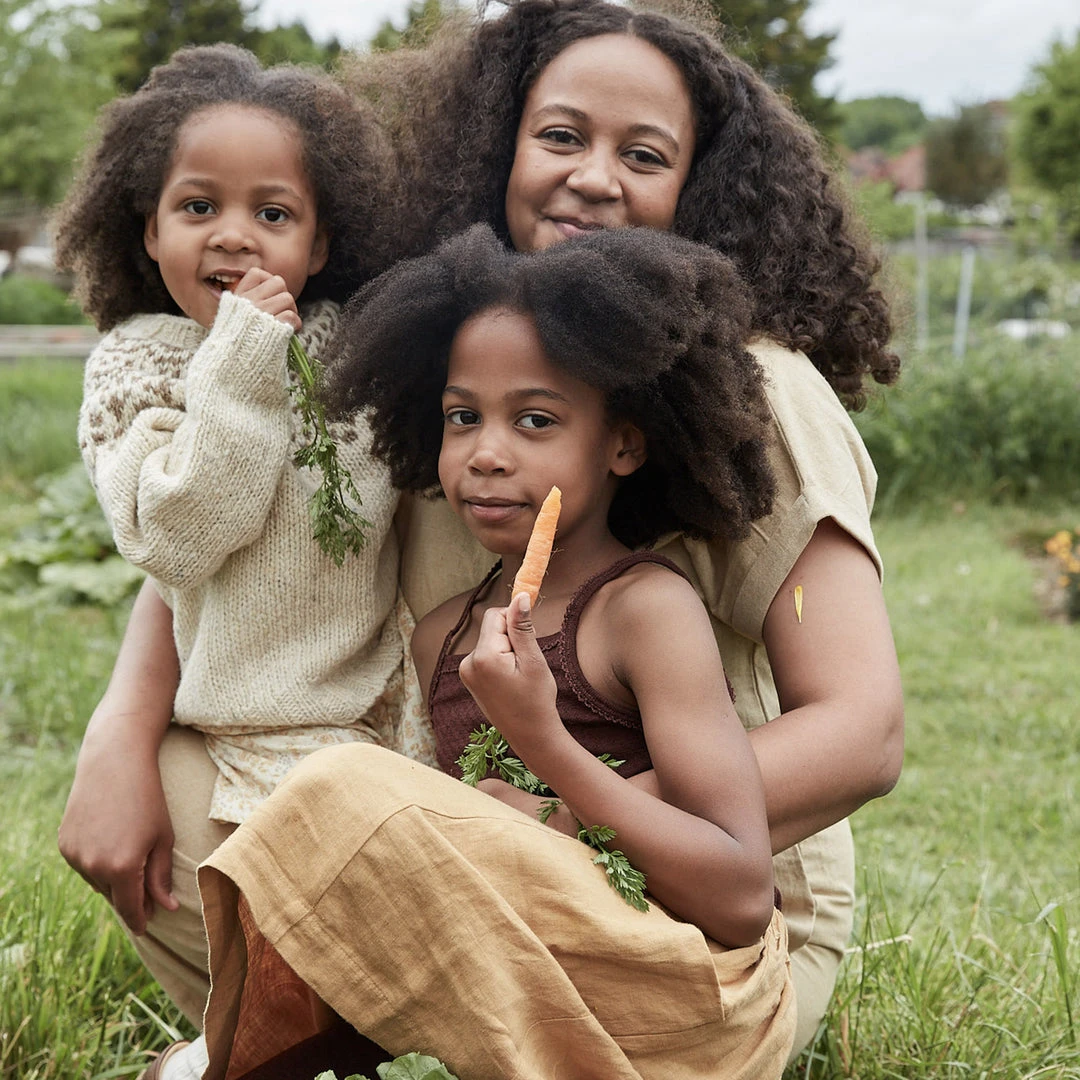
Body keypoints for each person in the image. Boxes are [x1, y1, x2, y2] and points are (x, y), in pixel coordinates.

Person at [344, 0, 905, 1061]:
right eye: (561, 136)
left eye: (641, 155)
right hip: (482, 877)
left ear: (695, 193)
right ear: (496, 151)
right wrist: (121, 729)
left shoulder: (754, 389)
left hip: (708, 912)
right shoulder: (439, 373)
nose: (594, 176)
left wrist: (559, 834)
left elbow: (863, 728)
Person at [195, 223, 795, 1080]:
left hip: (682, 1001)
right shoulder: (448, 633)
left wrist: (544, 745)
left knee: (342, 784)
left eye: (536, 420)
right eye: (462, 417)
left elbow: (739, 894)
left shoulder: (642, 610)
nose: (486, 453)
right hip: (532, 993)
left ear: (624, 442)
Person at [52, 43, 408, 1079]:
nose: (233, 235)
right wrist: (245, 357)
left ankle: (234, 1058)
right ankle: (248, 1046)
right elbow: (179, 533)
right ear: (149, 227)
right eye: (198, 206)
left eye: (273, 212)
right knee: (259, 970)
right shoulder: (138, 365)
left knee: (326, 990)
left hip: (379, 741)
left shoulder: (367, 350)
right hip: (229, 757)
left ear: (323, 235)